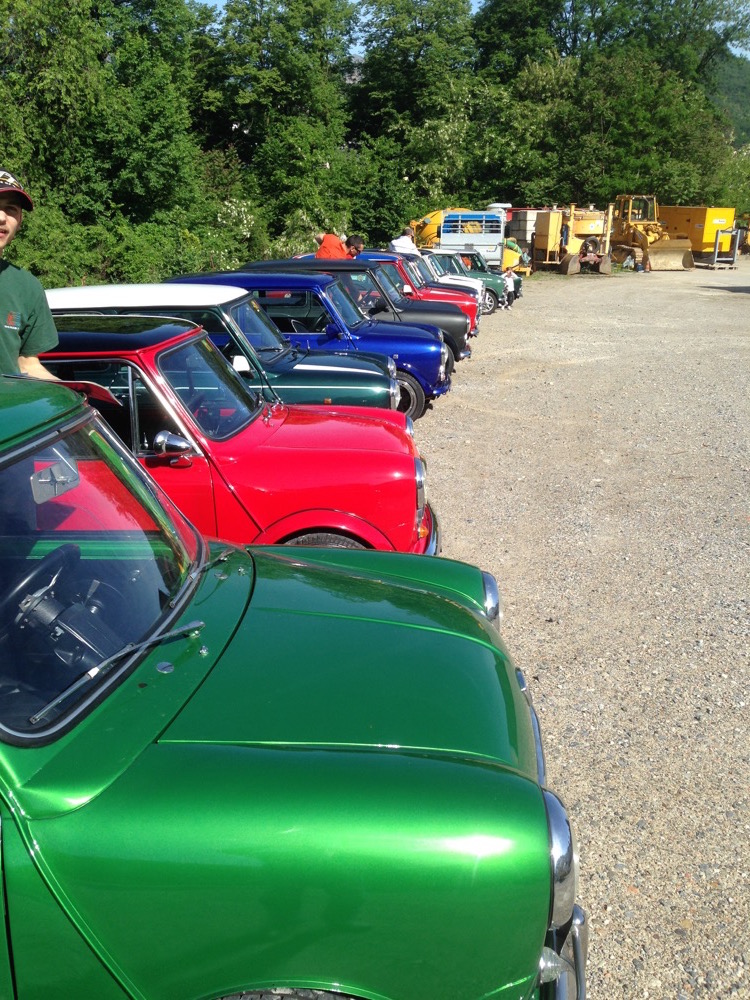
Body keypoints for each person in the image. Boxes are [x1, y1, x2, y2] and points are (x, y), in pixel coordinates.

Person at [0, 169, 58, 378]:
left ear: (20, 220)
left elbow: (27, 364)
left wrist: (76, 392)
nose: (2, 217)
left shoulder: (27, 287)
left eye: (11, 209)